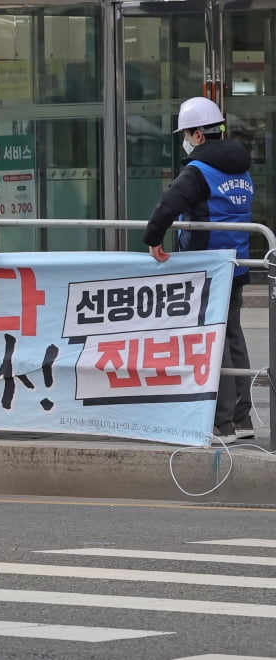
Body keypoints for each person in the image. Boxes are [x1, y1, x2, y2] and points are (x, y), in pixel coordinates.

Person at [142, 96, 254, 444]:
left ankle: (224, 424)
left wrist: (153, 238)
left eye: (187, 135)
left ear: (198, 135)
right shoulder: (241, 168)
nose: (186, 142)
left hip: (207, 268)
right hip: (236, 266)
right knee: (233, 336)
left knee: (214, 341)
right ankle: (242, 415)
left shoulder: (198, 171)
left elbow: (168, 204)